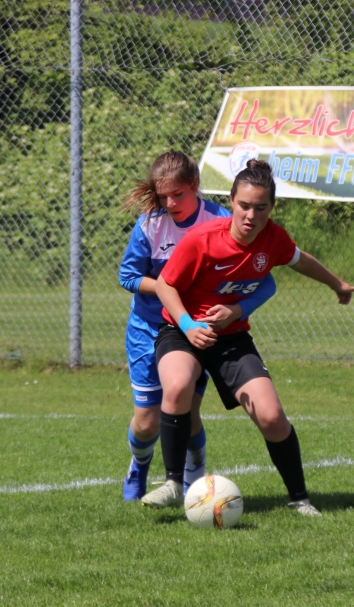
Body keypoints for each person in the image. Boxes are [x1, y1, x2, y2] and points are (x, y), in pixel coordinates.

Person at [140, 159, 354, 516]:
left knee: (272, 416)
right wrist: (188, 325)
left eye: (260, 208)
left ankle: (300, 499)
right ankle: (173, 483)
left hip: (231, 339)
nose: (250, 215)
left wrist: (337, 284)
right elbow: (165, 285)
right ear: (231, 201)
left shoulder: (274, 238)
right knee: (178, 386)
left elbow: (301, 260)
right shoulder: (202, 239)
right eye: (244, 205)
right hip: (182, 331)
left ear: (271, 208)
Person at [118, 151, 277, 501]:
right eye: (163, 196)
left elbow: (264, 278)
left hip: (194, 332)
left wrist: (234, 309)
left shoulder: (220, 220)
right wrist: (168, 287)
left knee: (187, 410)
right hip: (148, 327)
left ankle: (192, 480)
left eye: (178, 194)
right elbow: (128, 276)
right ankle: (139, 467)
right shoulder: (150, 225)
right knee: (146, 421)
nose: (170, 203)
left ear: (195, 185)